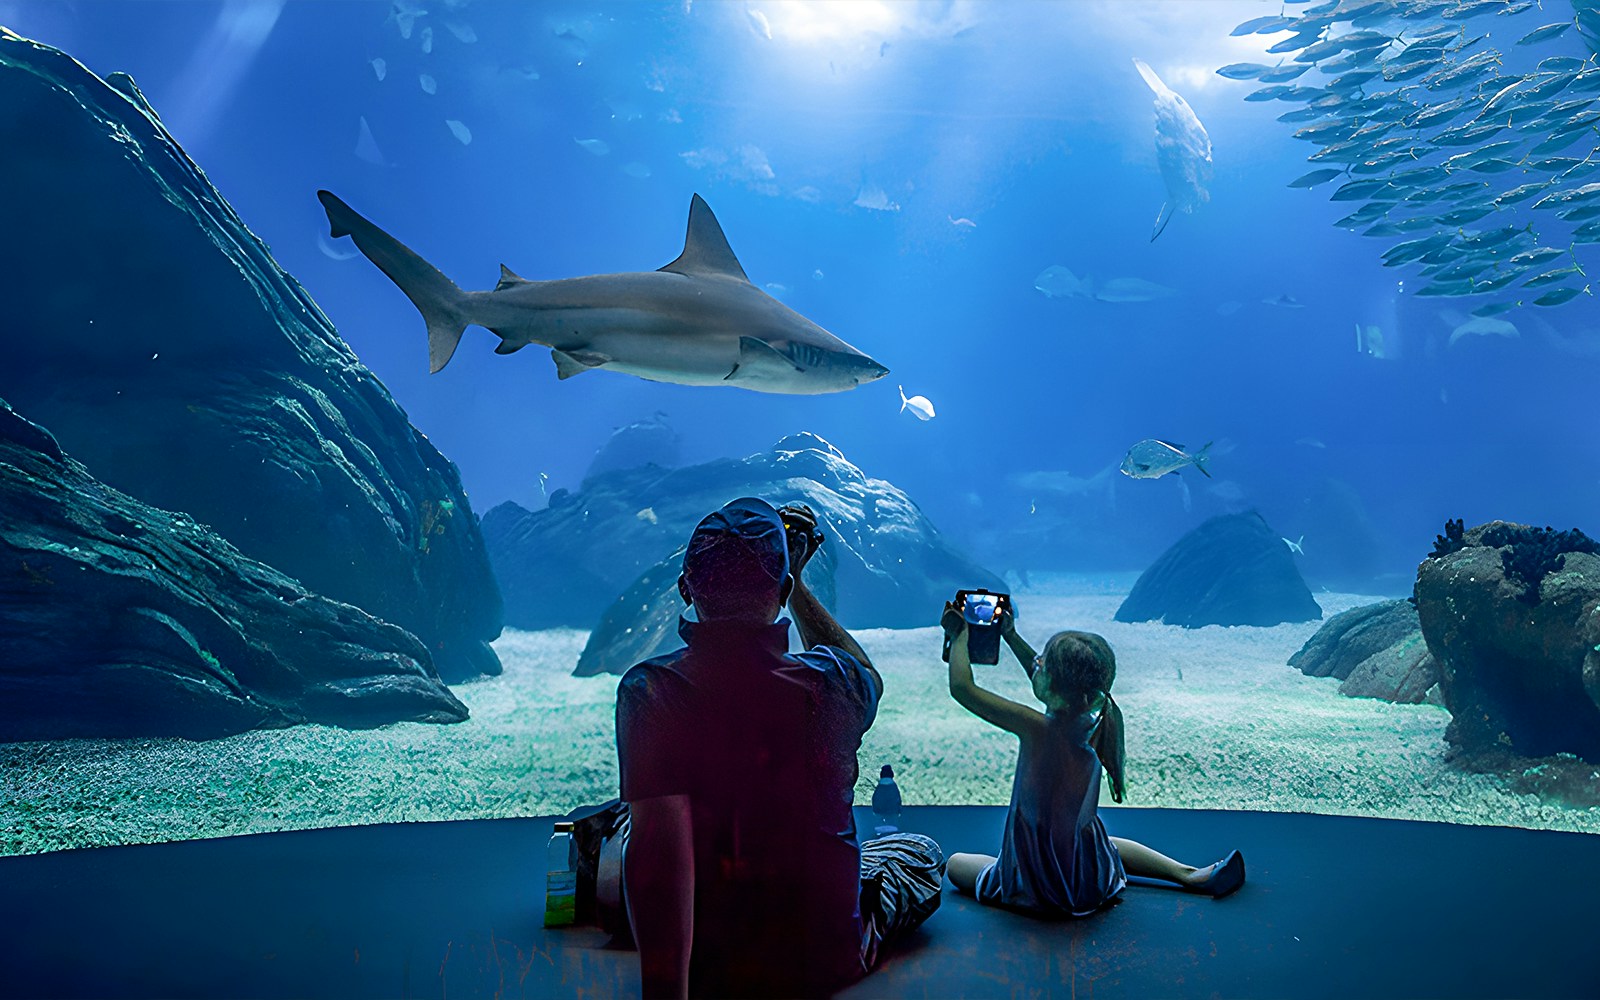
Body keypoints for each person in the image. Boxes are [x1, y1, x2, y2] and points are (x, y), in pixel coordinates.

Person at [614, 497, 945, 999]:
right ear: (785, 586)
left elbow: (660, 856)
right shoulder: (832, 684)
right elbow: (868, 675)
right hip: (824, 959)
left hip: (709, 964)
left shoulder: (650, 692)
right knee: (917, 852)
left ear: (686, 588)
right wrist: (798, 586)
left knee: (626, 827)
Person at [942, 603, 1245, 917]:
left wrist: (959, 636)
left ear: (1053, 686)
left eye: (1043, 662)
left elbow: (963, 688)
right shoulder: (1095, 722)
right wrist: (1011, 636)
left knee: (955, 864)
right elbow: (1048, 678)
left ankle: (1027, 887)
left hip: (1042, 886)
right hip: (1089, 878)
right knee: (1104, 841)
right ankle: (1190, 874)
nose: (1037, 663)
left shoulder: (1038, 730)